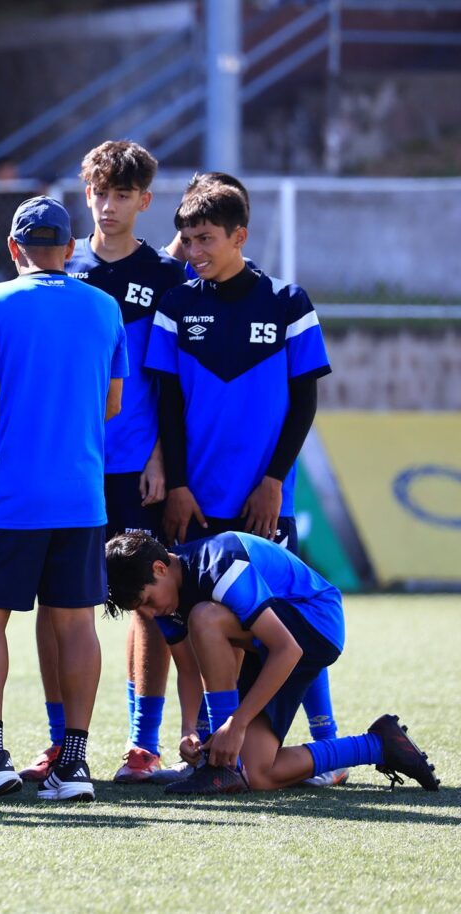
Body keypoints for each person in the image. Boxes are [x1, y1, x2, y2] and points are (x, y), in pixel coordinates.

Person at [0, 197, 126, 804]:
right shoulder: (104, 306)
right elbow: (112, 404)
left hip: (9, 494)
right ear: (69, 248)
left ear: (14, 248)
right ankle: (74, 763)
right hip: (82, 494)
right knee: (77, 624)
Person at [147, 181, 344, 785]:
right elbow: (168, 402)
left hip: (262, 501)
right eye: (187, 239)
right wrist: (179, 486)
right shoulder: (176, 304)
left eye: (206, 238)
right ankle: (215, 748)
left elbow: (304, 401)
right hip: (196, 503)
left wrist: (275, 480)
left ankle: (327, 740)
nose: (194, 250)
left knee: (279, 621)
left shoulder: (288, 301)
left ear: (240, 236)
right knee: (201, 624)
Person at [27, 141, 190, 787]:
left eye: (123, 194)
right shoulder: (63, 268)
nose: (109, 205)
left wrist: (159, 456)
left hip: (134, 467)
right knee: (57, 603)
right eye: (100, 192)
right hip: (68, 466)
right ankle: (59, 741)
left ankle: (143, 745)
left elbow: (169, 382)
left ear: (144, 201)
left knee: (148, 601)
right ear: (85, 192)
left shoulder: (167, 277)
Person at [103, 531, 440, 794]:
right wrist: (188, 729)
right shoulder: (165, 599)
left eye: (147, 601)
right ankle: (378, 745)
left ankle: (223, 768)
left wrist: (236, 724)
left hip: (317, 624)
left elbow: (287, 649)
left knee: (205, 617)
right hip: (267, 641)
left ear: (160, 568)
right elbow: (188, 670)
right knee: (260, 775)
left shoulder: (218, 564)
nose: (148, 613)